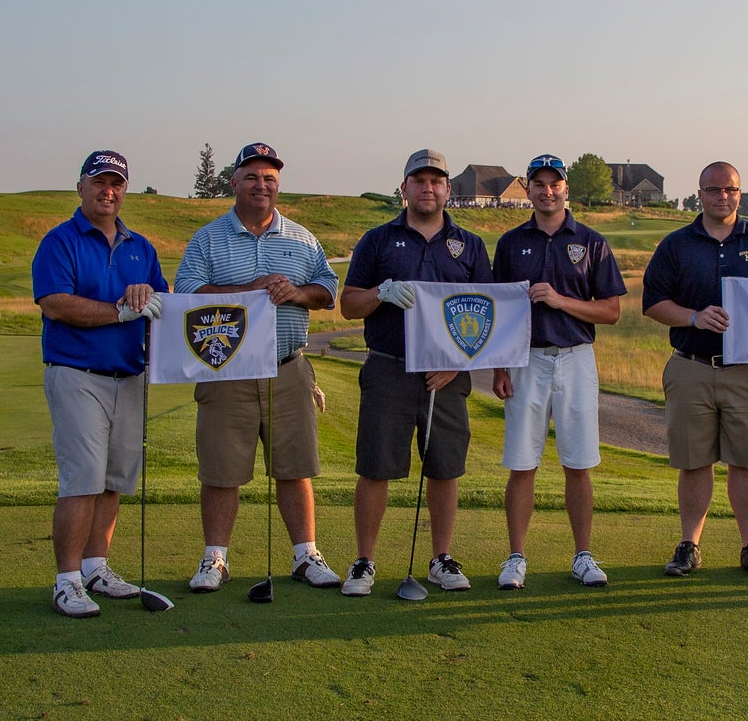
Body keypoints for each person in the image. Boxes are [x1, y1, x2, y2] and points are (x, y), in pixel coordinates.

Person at [173, 143, 341, 593]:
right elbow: (187, 292)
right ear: (234, 183)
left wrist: (298, 294)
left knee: (294, 467)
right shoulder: (208, 239)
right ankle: (215, 559)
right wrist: (246, 289)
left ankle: (306, 554)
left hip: (289, 369)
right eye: (251, 177)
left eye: (269, 178)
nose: (261, 185)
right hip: (226, 371)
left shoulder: (302, 238)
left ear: (277, 185)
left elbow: (327, 289)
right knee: (221, 470)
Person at [339, 149, 493, 595]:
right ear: (403, 187)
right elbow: (349, 304)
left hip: (446, 375)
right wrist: (382, 293)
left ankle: (440, 559)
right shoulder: (378, 240)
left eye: (436, 181)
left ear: (448, 189)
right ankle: (365, 561)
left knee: (444, 469)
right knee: (375, 468)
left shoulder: (470, 245)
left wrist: (457, 363)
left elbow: (487, 314)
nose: (428, 188)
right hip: (388, 368)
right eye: (419, 180)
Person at [32, 150, 168, 618]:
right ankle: (66, 580)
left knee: (113, 479)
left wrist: (148, 300)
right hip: (76, 374)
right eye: (99, 182)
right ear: (81, 188)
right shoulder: (60, 241)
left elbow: (162, 305)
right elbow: (55, 304)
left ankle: (95, 566)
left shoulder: (141, 247)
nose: (108, 191)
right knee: (83, 479)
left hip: (129, 375)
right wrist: (119, 310)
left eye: (116, 183)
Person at [642, 161, 748, 580]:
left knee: (746, 464)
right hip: (691, 365)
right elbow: (653, 302)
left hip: (747, 372)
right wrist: (693, 317)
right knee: (694, 463)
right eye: (713, 190)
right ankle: (690, 544)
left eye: (729, 190)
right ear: (700, 194)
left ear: (739, 194)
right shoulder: (676, 245)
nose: (721, 197)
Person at [490, 154, 627, 590]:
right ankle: (516, 557)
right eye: (539, 184)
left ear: (566, 189)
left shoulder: (591, 241)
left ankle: (583, 555)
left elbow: (611, 311)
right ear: (527, 189)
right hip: (525, 359)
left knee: (579, 462)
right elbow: (499, 309)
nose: (547, 191)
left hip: (576, 356)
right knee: (521, 463)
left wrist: (560, 300)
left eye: (555, 183)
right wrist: (498, 366)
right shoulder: (511, 243)